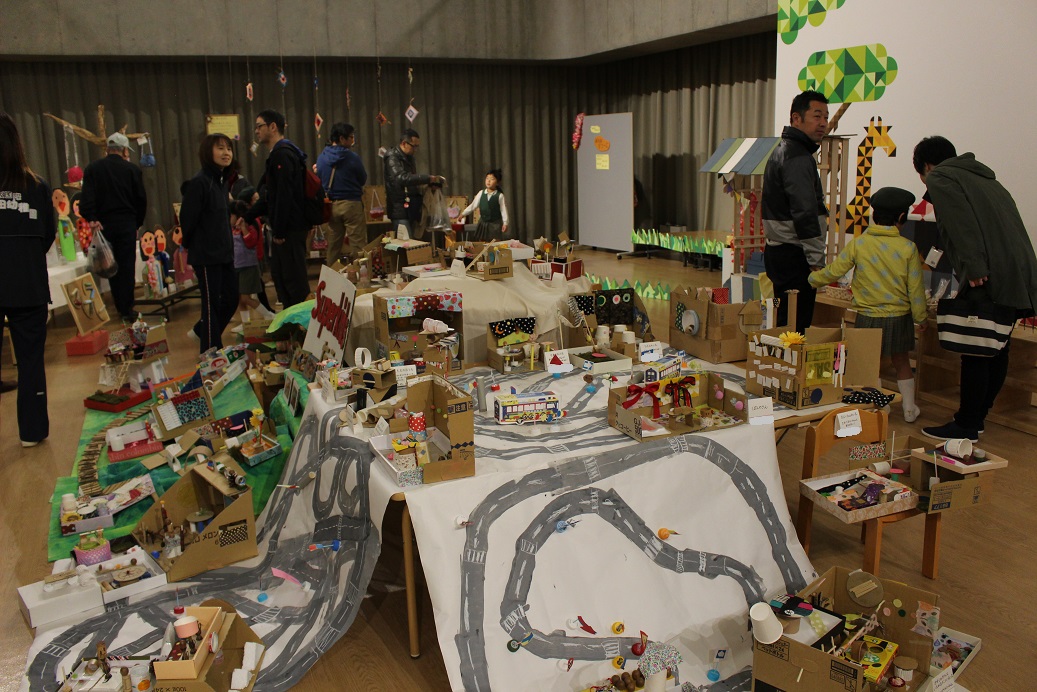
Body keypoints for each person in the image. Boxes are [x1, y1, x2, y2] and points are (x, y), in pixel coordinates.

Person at [912, 135, 1037, 441]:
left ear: (927, 166)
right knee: (996, 346)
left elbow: (960, 223)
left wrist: (974, 266)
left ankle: (966, 424)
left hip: (989, 273)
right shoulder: (985, 179)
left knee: (975, 349)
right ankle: (977, 418)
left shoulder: (941, 177)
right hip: (1018, 273)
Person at [808, 187, 927, 422]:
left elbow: (835, 271)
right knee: (901, 360)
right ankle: (909, 409)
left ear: (873, 215)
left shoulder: (859, 244)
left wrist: (812, 279)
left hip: (868, 316)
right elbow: (916, 288)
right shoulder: (908, 248)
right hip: (899, 317)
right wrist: (921, 317)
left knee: (872, 364)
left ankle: (881, 407)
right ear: (902, 217)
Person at [0, 112, 55, 447]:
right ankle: (32, 433)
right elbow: (47, 234)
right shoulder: (37, 186)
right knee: (30, 360)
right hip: (28, 282)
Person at [762, 90, 830, 331]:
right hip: (794, 254)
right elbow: (804, 212)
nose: (823, 123)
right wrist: (816, 260)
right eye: (817, 116)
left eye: (826, 117)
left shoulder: (785, 150)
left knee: (785, 321)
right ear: (796, 118)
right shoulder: (797, 156)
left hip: (781, 251)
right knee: (795, 326)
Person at [79, 131, 148, 321]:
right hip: (126, 223)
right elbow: (141, 200)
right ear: (124, 150)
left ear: (108, 149)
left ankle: (118, 304)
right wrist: (137, 222)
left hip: (104, 225)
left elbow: (87, 198)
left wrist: (92, 218)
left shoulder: (93, 169)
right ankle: (127, 309)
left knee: (111, 265)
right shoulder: (132, 170)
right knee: (126, 266)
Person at [179, 133, 239, 352]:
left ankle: (200, 331)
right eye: (220, 148)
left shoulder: (222, 181)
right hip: (206, 255)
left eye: (229, 149)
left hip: (225, 253)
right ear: (208, 152)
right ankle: (211, 352)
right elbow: (187, 219)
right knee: (211, 305)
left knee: (231, 299)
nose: (226, 153)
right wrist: (193, 245)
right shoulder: (199, 182)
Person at [248, 109, 310, 307]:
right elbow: (271, 196)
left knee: (293, 281)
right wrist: (248, 215)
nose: (256, 131)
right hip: (285, 229)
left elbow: (284, 195)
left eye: (259, 126)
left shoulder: (283, 155)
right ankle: (291, 321)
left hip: (290, 230)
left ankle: (300, 322)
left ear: (273, 127)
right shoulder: (279, 154)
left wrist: (280, 230)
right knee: (282, 278)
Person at [316, 122, 368, 264]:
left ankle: (330, 273)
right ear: (342, 138)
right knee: (358, 244)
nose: (353, 140)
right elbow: (362, 179)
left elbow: (319, 179)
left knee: (333, 246)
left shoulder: (322, 157)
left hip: (332, 205)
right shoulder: (352, 157)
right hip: (351, 204)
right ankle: (360, 273)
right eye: (351, 137)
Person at [383, 128, 444, 238]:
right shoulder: (392, 158)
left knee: (413, 241)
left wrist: (429, 185)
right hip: (399, 208)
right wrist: (427, 178)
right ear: (404, 143)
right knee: (405, 242)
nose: (415, 149)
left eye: (417, 146)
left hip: (412, 207)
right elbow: (402, 178)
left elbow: (412, 180)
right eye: (414, 146)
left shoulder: (410, 158)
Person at [230, 200, 274, 319]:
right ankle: (246, 323)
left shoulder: (250, 226)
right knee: (240, 298)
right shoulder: (232, 229)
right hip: (237, 266)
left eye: (231, 215)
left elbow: (251, 243)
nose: (229, 218)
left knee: (245, 297)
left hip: (248, 266)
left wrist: (244, 228)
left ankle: (268, 314)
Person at [459, 168, 510, 241]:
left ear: (497, 182)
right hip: (483, 223)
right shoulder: (481, 193)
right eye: (487, 178)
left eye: (492, 179)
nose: (488, 181)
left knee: (495, 243)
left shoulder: (500, 196)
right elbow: (473, 205)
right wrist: (463, 214)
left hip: (495, 224)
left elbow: (503, 210)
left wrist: (505, 223)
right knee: (482, 243)